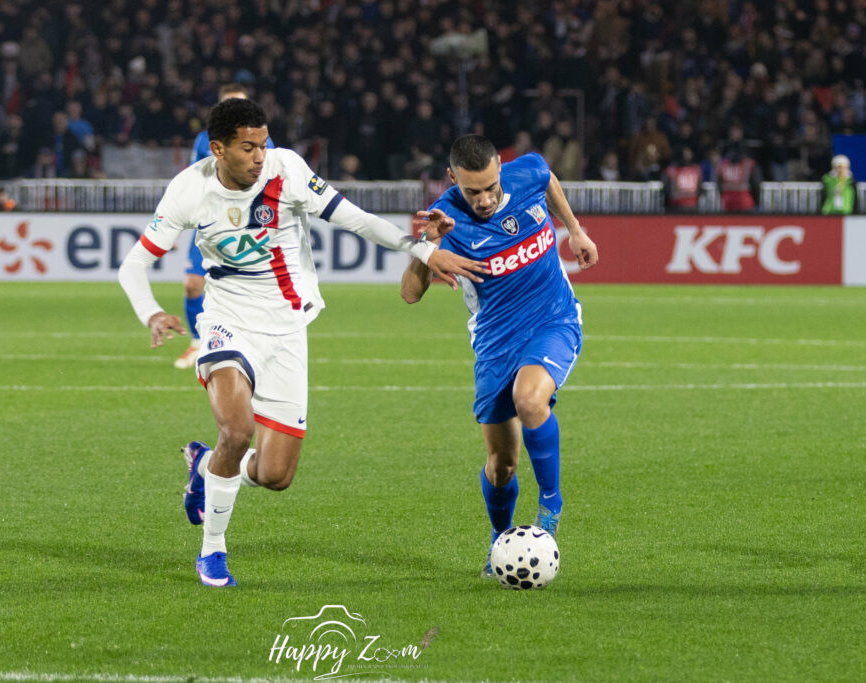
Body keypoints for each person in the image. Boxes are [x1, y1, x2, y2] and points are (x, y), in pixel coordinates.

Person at [117, 98, 486, 587]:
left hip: (288, 329)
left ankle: (204, 465)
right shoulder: (190, 189)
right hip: (228, 320)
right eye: (247, 148)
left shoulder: (286, 169)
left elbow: (354, 218)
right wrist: (153, 312)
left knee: (275, 475)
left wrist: (420, 246)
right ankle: (212, 551)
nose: (259, 156)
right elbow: (134, 264)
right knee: (238, 429)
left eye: (263, 144)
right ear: (218, 148)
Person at [399, 134, 598, 579]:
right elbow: (410, 294)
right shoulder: (445, 217)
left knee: (531, 400)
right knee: (502, 464)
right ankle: (500, 538)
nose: (486, 199)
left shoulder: (525, 171)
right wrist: (426, 248)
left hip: (553, 318)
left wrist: (576, 230)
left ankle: (550, 506)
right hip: (494, 343)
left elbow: (547, 178)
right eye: (473, 191)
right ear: (452, 179)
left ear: (500, 169)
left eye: (491, 186)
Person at [175, 83, 276, 370]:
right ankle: (197, 342)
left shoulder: (262, 139)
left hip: (249, 226)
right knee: (193, 285)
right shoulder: (203, 140)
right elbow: (193, 180)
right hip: (210, 223)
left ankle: (256, 345)